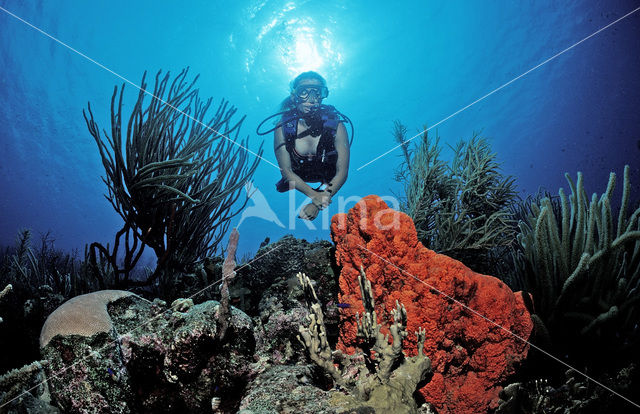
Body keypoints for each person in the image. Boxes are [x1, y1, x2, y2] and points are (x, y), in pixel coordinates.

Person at [271, 72, 351, 220]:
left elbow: (342, 171)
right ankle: (295, 184)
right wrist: (314, 195)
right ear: (294, 97)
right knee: (284, 184)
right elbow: (286, 170)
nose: (312, 99)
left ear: (323, 95)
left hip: (326, 174)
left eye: (318, 92)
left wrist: (316, 203)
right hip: (296, 173)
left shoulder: (337, 126)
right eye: (304, 92)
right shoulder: (282, 127)